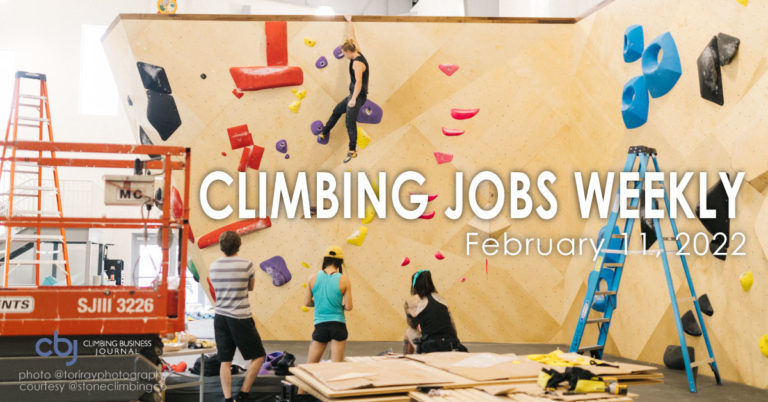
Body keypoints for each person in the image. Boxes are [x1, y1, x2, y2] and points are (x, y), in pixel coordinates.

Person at [209, 231, 266, 402]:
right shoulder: (247, 265)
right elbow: (251, 287)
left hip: (220, 316)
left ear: (221, 247)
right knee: (259, 356)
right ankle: (243, 395)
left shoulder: (213, 266)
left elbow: (218, 288)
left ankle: (227, 399)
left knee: (225, 361)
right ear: (238, 245)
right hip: (240, 317)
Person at [319, 14, 369, 163]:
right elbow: (351, 34)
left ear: (348, 52)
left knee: (349, 122)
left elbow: (359, 82)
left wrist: (353, 100)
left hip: (358, 96)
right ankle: (324, 132)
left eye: (344, 53)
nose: (343, 55)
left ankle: (352, 150)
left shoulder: (357, 64)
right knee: (337, 110)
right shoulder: (357, 50)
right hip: (352, 95)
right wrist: (349, 20)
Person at [304, 246, 353, 363]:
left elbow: (307, 302)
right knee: (336, 367)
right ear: (340, 262)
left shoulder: (312, 278)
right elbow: (349, 307)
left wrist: (320, 303)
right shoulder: (344, 280)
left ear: (325, 259)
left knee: (311, 366)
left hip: (321, 326)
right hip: (338, 325)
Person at [404, 270, 467, 354]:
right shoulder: (441, 299)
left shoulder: (412, 302)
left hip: (431, 347)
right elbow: (452, 327)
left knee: (408, 331)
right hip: (451, 344)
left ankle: (406, 359)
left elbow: (413, 325)